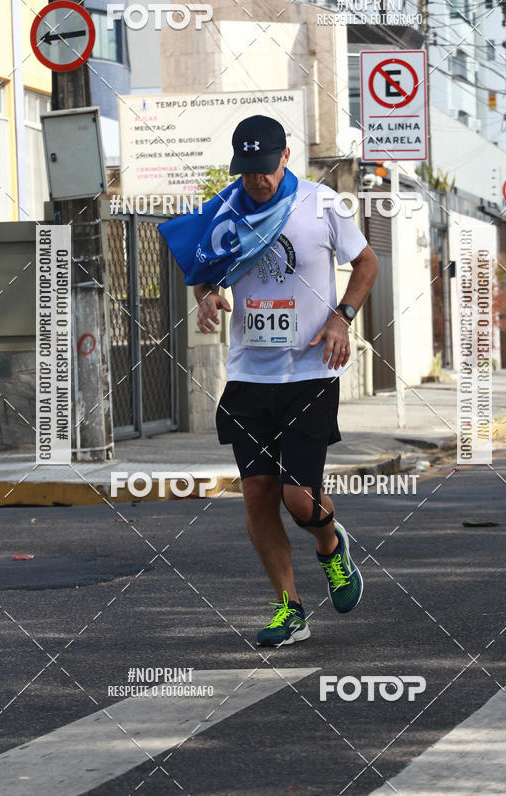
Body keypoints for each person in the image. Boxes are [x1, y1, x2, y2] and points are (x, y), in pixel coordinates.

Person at [160, 114, 378, 647]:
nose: (257, 180)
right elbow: (203, 270)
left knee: (299, 500)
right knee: (257, 496)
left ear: (286, 157)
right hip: (249, 376)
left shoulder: (322, 204)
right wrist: (206, 296)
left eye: (265, 168)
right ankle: (291, 608)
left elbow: (367, 263)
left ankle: (330, 546)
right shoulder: (225, 209)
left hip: (310, 371)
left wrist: (340, 319)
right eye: (248, 170)